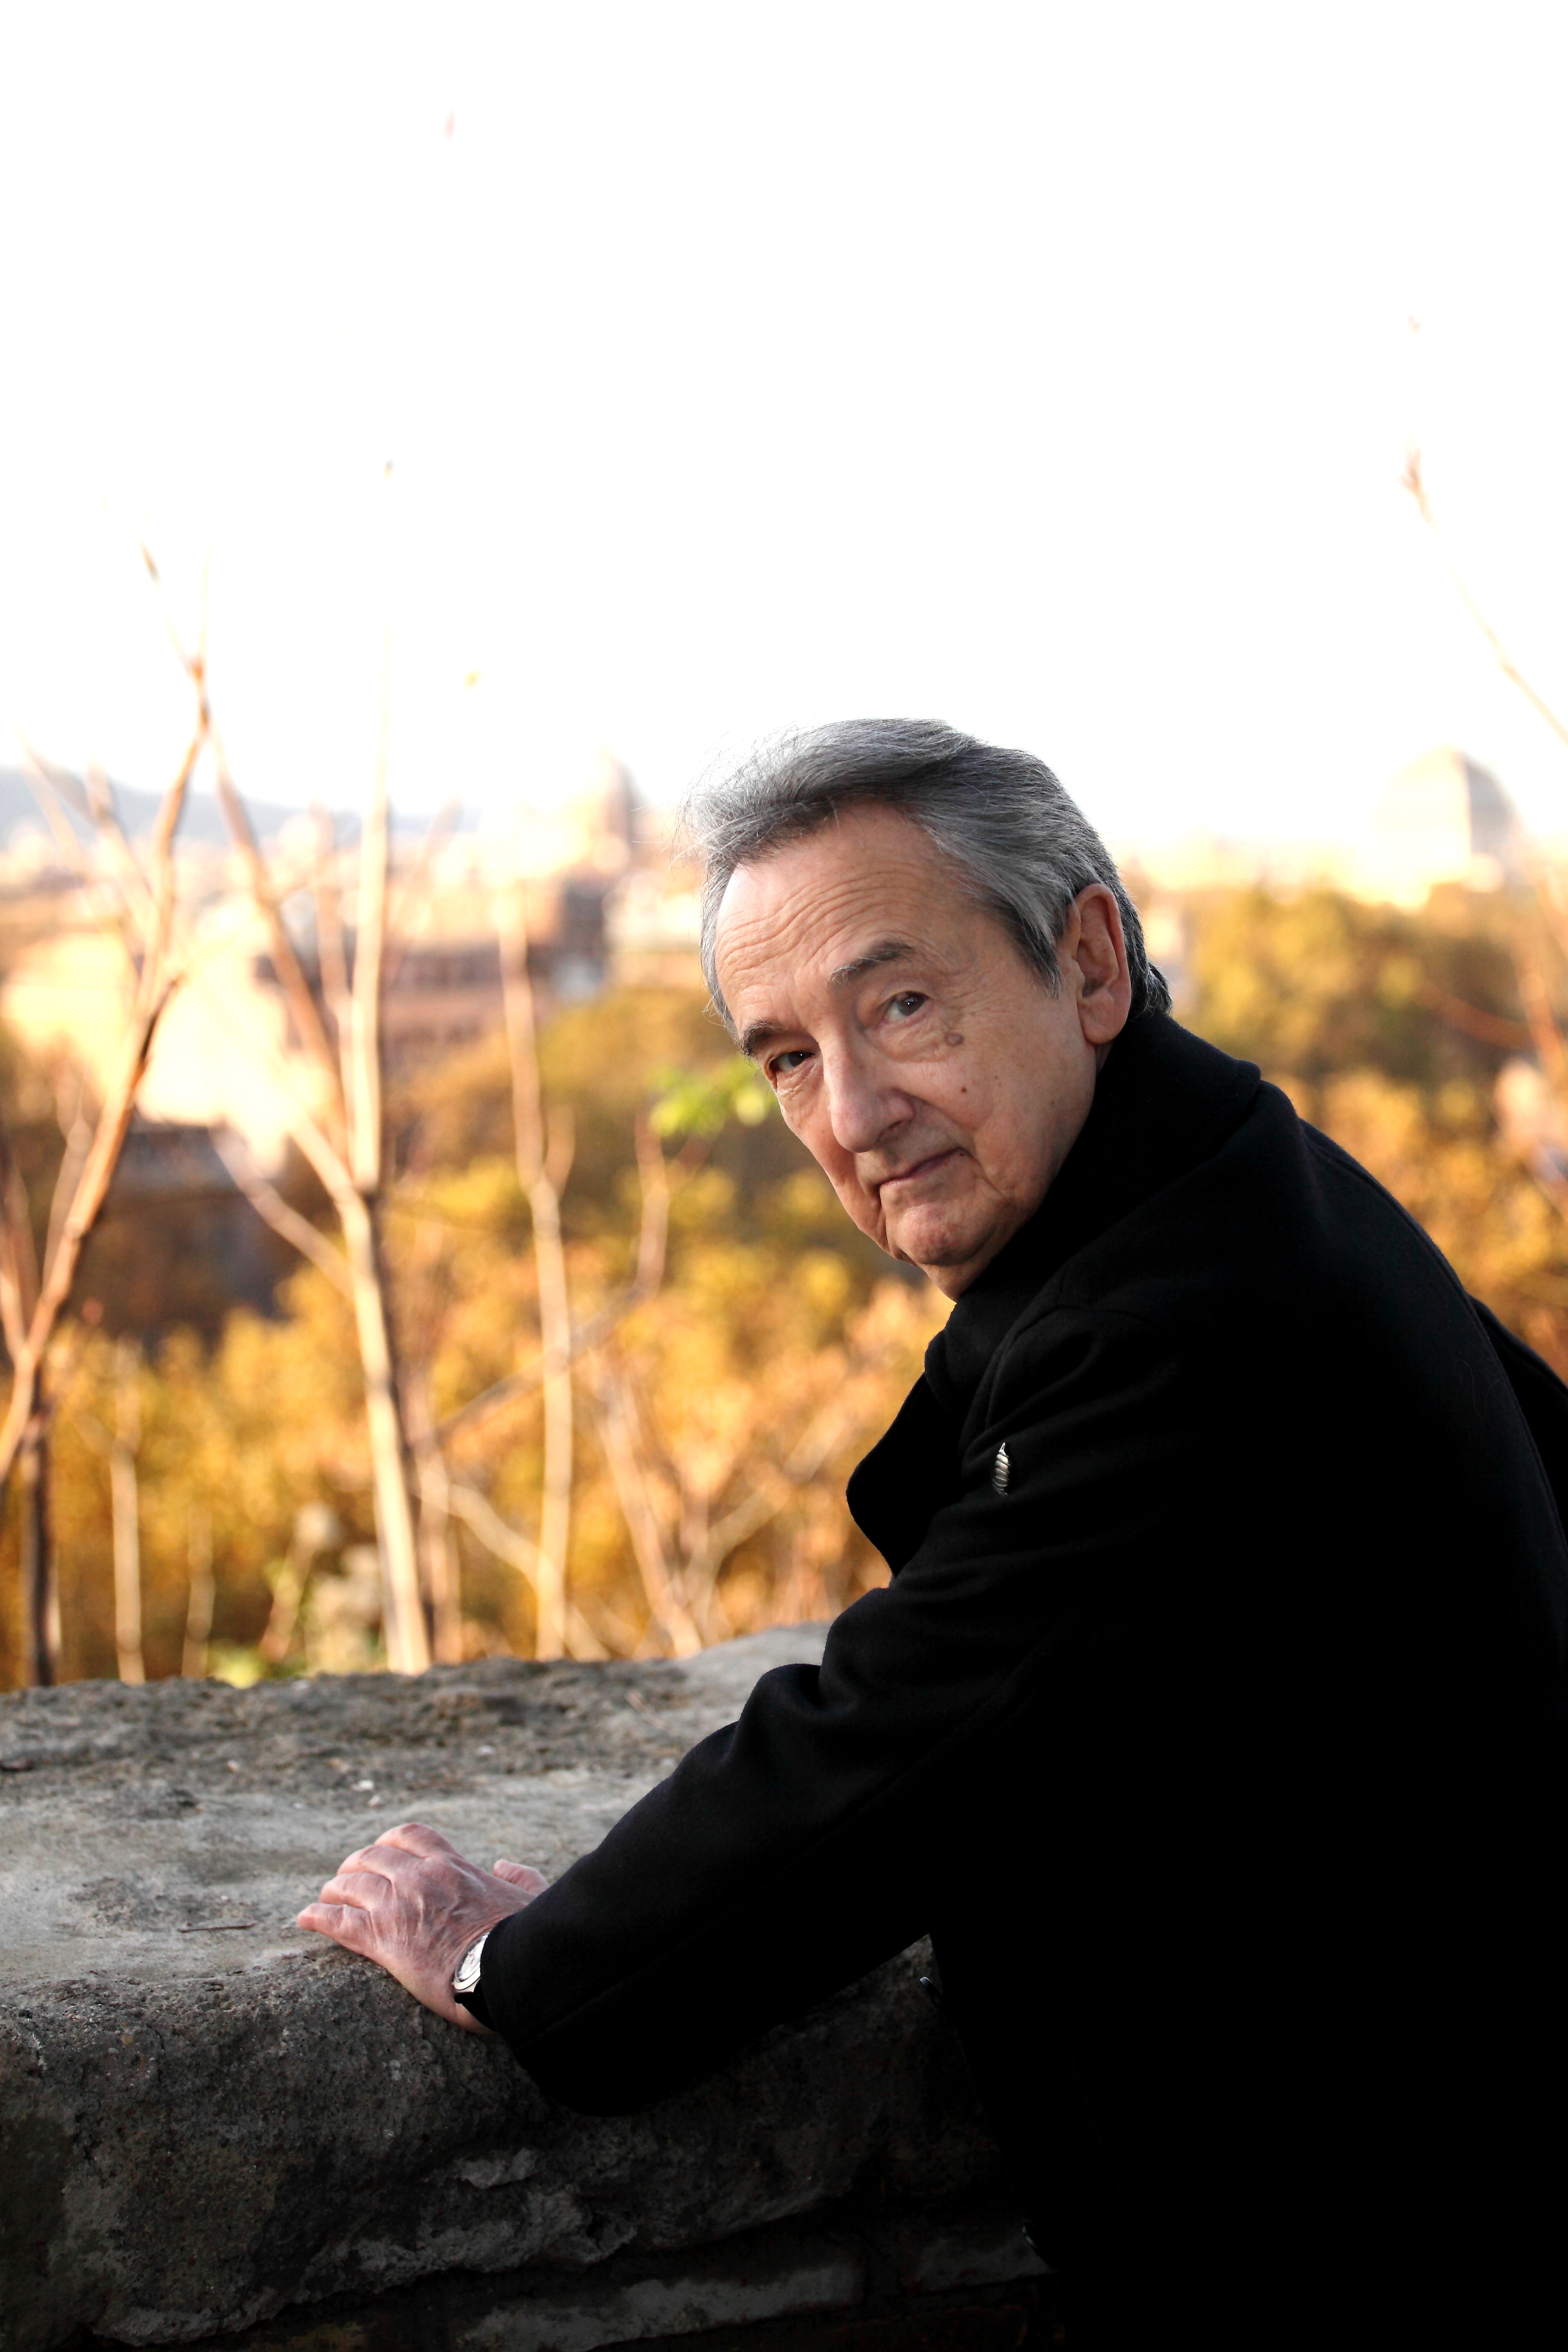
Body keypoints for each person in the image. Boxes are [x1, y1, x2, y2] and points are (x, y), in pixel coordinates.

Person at [301, 722, 1568, 2347]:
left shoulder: (1167, 1328)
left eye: (900, 1006)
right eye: (785, 1058)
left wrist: (516, 1966)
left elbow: (897, 1746)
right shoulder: (1250, 1183)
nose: (852, 1112)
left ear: (1089, 963)